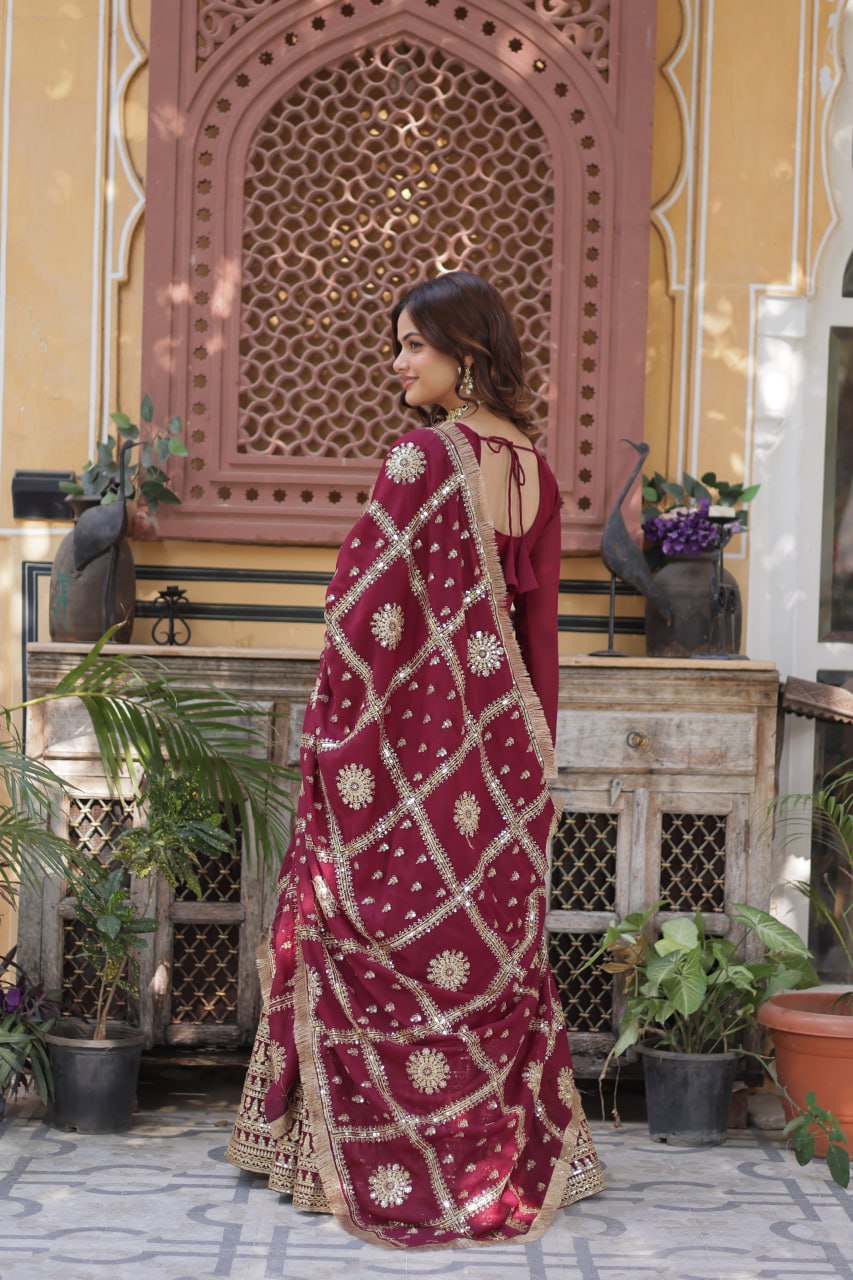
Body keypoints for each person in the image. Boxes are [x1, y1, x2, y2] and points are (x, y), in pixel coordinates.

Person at [226, 270, 604, 1248]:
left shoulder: (422, 458)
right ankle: (504, 1151)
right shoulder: (536, 470)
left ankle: (349, 1155)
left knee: (373, 929)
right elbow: (539, 638)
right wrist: (534, 758)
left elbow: (360, 618)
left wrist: (334, 732)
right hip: (504, 752)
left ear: (463, 353)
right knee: (482, 947)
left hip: (413, 755)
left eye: (411, 344)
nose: (397, 361)